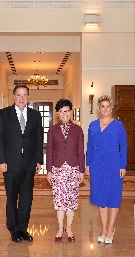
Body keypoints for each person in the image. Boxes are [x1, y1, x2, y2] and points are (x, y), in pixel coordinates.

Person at [0, 84, 44, 243]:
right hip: (10, 163)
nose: (21, 98)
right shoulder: (4, 114)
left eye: (24, 95)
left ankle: (23, 228)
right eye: (18, 95)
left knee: (26, 197)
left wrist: (38, 160)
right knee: (11, 197)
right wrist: (0, 160)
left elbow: (38, 140)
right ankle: (13, 229)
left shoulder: (35, 116)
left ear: (28, 97)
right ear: (14, 97)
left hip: (29, 163)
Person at [86, 95, 127, 244]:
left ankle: (111, 228)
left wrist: (123, 165)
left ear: (111, 108)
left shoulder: (118, 125)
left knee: (113, 196)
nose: (105, 109)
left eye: (107, 106)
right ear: (99, 108)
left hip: (114, 163)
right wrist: (88, 163)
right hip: (97, 163)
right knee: (101, 197)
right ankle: (103, 228)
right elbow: (89, 145)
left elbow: (123, 146)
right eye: (102, 106)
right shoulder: (93, 125)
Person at [46, 99, 85, 242]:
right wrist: (49, 171)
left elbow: (81, 151)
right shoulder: (52, 130)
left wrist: (82, 170)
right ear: (58, 113)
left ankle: (69, 228)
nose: (65, 114)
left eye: (67, 111)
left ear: (71, 112)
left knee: (71, 200)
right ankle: (59, 228)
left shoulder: (78, 129)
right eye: (62, 111)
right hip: (58, 169)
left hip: (73, 169)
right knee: (60, 200)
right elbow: (49, 151)